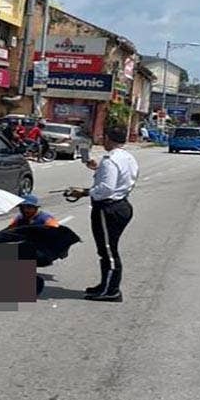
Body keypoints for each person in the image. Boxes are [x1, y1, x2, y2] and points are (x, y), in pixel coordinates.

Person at [67, 125, 139, 302]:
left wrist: (83, 192)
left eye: (104, 137)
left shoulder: (110, 160)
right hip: (121, 205)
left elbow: (107, 189)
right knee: (106, 249)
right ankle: (105, 285)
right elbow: (122, 179)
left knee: (108, 251)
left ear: (108, 138)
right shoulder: (127, 157)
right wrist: (97, 169)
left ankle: (111, 290)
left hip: (109, 209)